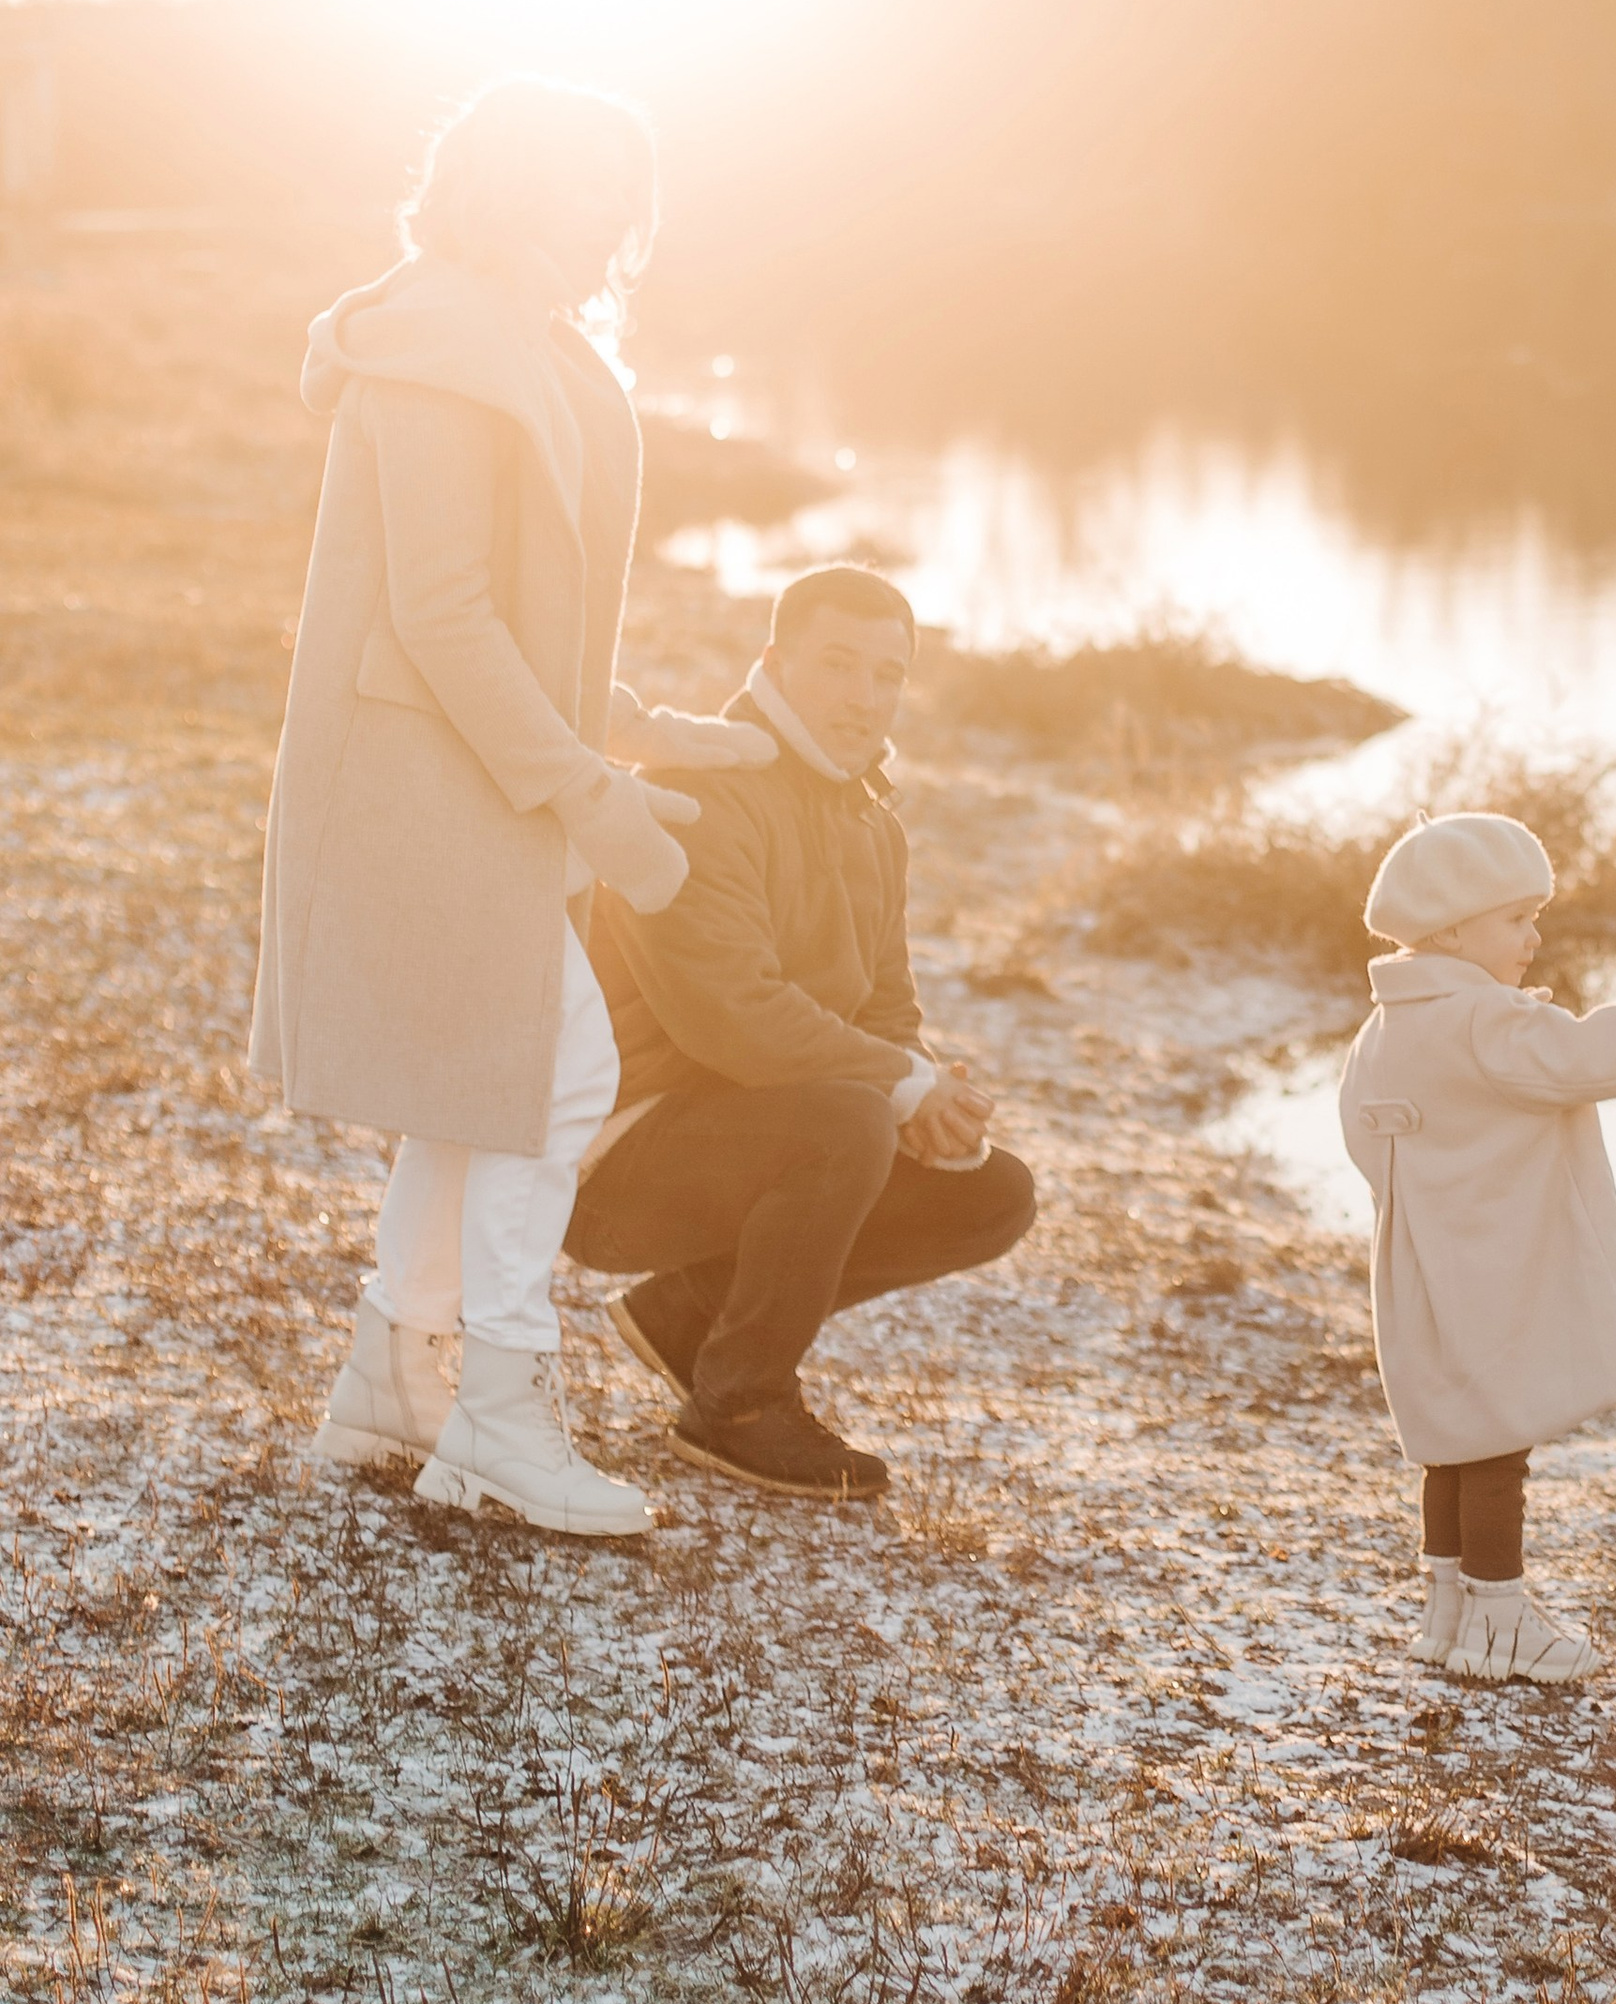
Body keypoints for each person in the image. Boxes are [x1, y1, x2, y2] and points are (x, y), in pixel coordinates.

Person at [253, 75, 778, 1537]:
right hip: (423, 784)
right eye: (586, 182)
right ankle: (497, 1402)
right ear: (512, 184)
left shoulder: (522, 337)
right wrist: (593, 796)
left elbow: (529, 612)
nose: (612, 215)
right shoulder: (441, 340)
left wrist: (641, 728)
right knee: (556, 1071)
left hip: (482, 776)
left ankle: (388, 1370)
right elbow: (441, 613)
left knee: (478, 1073)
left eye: (626, 190)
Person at [564, 562, 1036, 1497]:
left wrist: (926, 1098)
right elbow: (731, 1013)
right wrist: (894, 1085)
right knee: (847, 1122)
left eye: (888, 674)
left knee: (992, 1192)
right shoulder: (701, 787)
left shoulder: (870, 819)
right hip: (616, 1160)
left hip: (763, 1132)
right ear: (775, 662)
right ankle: (738, 1407)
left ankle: (688, 1318)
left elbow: (887, 1010)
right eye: (838, 664)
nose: (865, 696)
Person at [1339, 810, 1616, 1686]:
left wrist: (1436, 1196)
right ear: (1452, 929)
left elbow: (1365, 1140)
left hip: (1421, 1262)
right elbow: (1588, 1054)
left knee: (1453, 1440)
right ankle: (1501, 1620)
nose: (1534, 938)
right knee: (1497, 1444)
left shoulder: (1381, 1030)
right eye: (1517, 918)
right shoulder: (1483, 1021)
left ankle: (1448, 1610)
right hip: (1494, 1267)